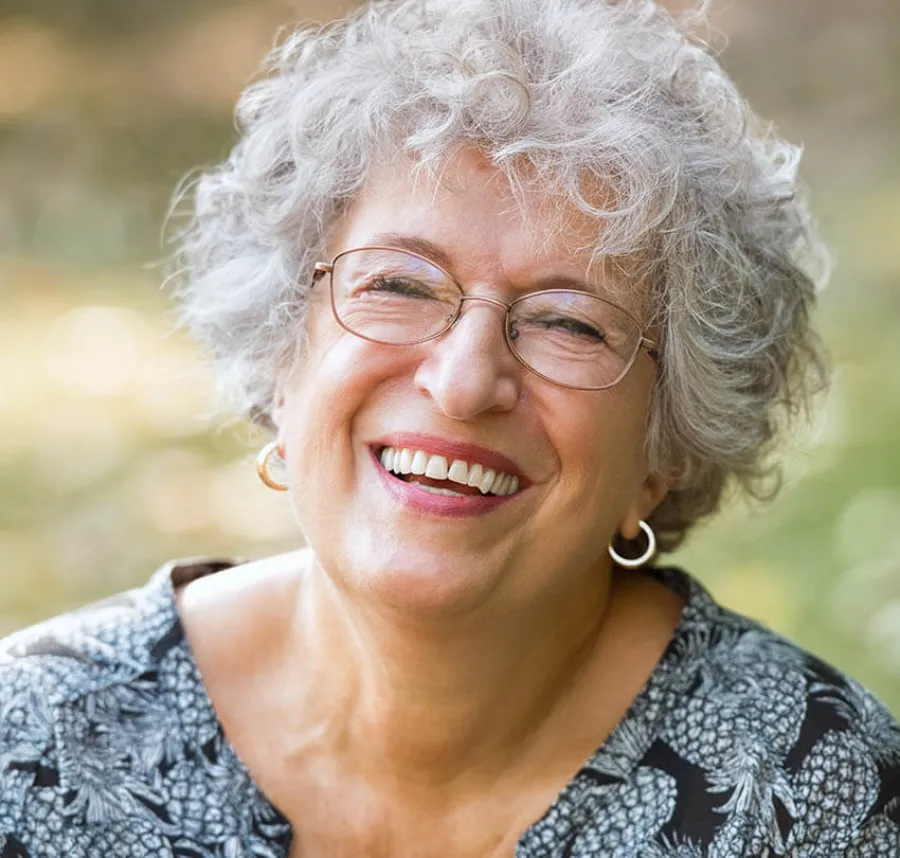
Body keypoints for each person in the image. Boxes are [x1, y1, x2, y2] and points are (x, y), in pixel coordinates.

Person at [2, 0, 899, 855]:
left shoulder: (814, 798)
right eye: (398, 285)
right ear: (284, 355)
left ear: (663, 453)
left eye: (569, 323)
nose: (466, 381)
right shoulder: (34, 749)